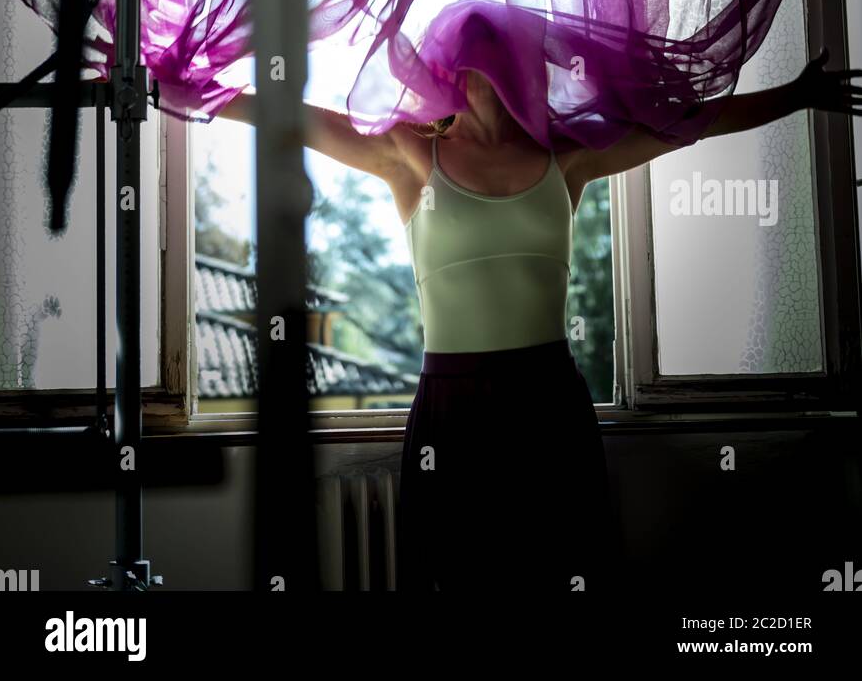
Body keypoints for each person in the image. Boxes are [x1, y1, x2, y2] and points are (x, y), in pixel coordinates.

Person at [220, 48, 859, 593]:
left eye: (511, 54)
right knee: (453, 577)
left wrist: (796, 95)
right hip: (452, 410)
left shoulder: (567, 154)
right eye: (479, 56)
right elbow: (292, 121)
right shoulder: (411, 154)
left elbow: (684, 126)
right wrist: (194, 91)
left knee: (559, 570)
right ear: (451, 71)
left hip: (549, 404)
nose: (496, 69)